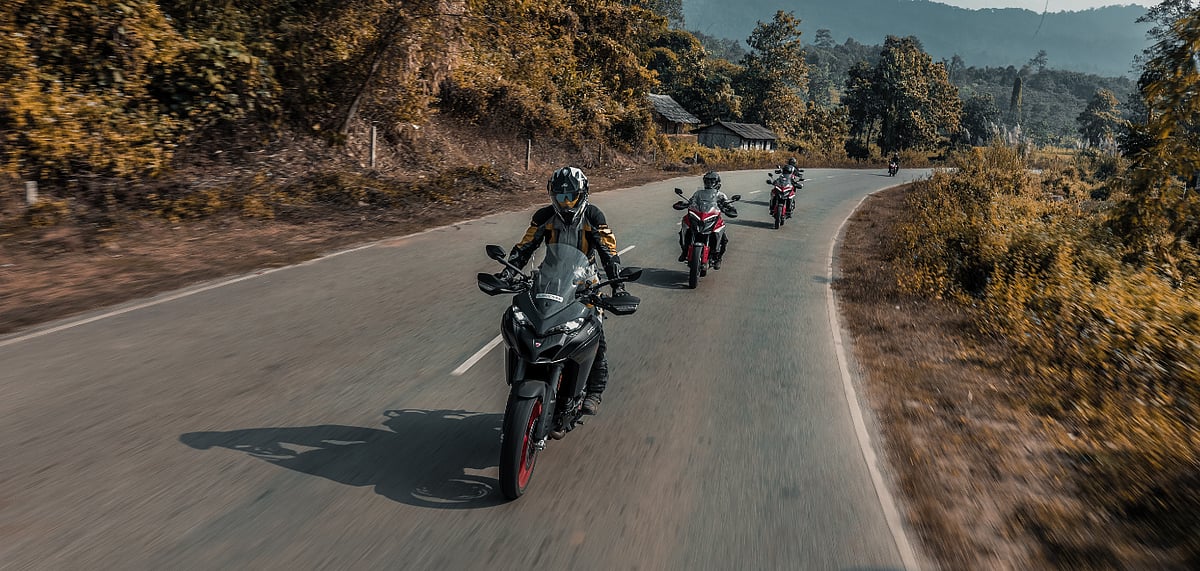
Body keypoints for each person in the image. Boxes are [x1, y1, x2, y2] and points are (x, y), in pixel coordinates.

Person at [497, 166, 626, 415]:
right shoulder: (544, 216)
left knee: (595, 338)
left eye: (570, 196)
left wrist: (618, 285)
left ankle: (594, 391)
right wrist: (508, 273)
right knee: (527, 325)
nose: (565, 203)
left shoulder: (593, 216)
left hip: (586, 283)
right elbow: (525, 247)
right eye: (560, 196)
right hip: (548, 280)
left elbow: (609, 252)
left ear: (582, 194)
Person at [677, 170, 736, 269]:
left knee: (724, 238)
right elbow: (692, 201)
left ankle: (718, 257)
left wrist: (730, 208)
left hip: (713, 217)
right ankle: (684, 250)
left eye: (712, 181)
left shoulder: (721, 195)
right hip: (699, 216)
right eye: (707, 181)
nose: (709, 183)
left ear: (717, 183)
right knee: (685, 227)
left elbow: (727, 203)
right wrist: (684, 204)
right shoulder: (698, 193)